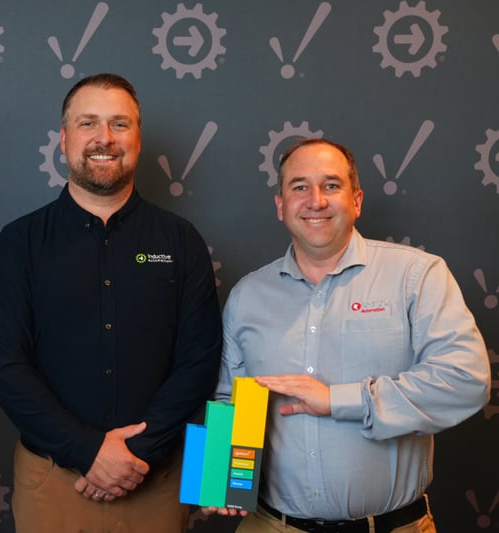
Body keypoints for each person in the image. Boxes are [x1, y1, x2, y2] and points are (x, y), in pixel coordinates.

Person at [0, 73, 222, 533]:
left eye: (119, 124)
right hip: (53, 483)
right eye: (88, 123)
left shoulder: (181, 241)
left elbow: (200, 361)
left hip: (156, 479)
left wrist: (133, 457)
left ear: (138, 138)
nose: (104, 138)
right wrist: (88, 452)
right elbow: (5, 365)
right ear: (64, 138)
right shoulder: (20, 243)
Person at [207, 138, 490, 532]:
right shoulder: (248, 295)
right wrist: (218, 477)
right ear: (281, 205)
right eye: (300, 187)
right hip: (271, 525)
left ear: (356, 201)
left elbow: (466, 380)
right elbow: (232, 399)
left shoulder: (416, 276)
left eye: (332, 185)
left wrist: (339, 400)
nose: (316, 200)